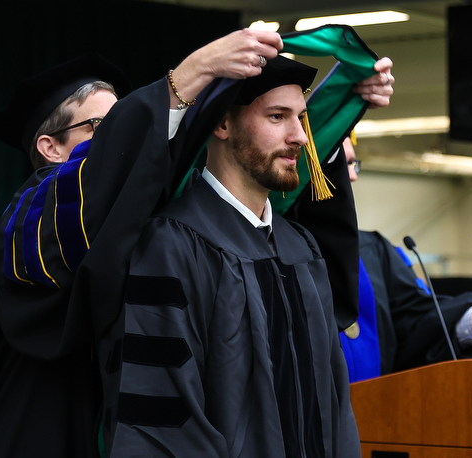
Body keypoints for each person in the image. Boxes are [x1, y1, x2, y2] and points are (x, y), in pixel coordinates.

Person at [0, 29, 290, 458]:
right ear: (50, 147)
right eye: (104, 126)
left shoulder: (134, 208)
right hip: (33, 433)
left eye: (121, 122)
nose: (122, 137)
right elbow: (104, 177)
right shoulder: (35, 212)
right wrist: (194, 73)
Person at [102, 55, 393, 457]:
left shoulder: (302, 249)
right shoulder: (172, 245)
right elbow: (164, 413)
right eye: (277, 117)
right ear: (221, 123)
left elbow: (335, 405)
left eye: (301, 119)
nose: (300, 137)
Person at [340, 136, 472, 381]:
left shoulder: (373, 253)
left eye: (354, 164)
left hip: (378, 413)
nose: (353, 175)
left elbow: (417, 327)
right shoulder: (290, 256)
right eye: (344, 164)